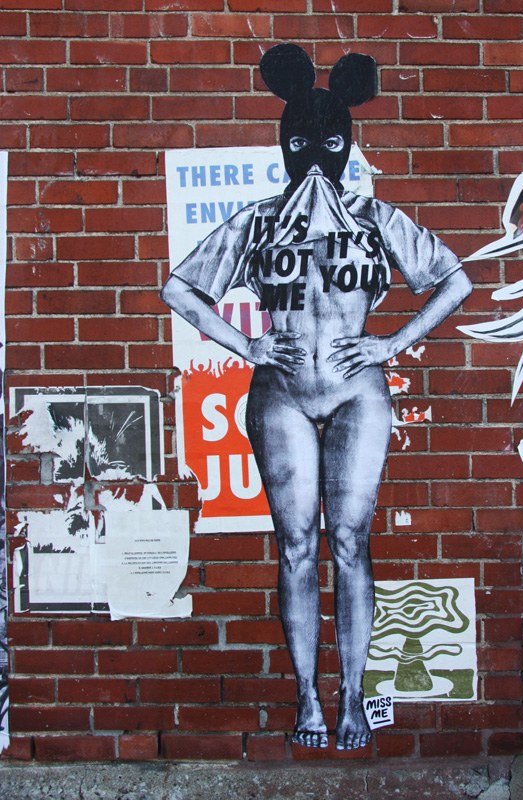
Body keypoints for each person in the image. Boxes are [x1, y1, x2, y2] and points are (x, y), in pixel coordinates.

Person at [161, 44, 472, 751]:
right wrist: (246, 345)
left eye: (329, 145)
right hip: (282, 392)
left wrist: (392, 343)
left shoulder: (372, 216)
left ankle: (352, 698)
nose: (312, 160)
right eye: (299, 144)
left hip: (358, 391)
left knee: (350, 542)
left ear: (347, 145)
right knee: (297, 544)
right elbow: (180, 288)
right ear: (284, 144)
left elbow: (453, 280)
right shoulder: (260, 221)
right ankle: (307, 698)